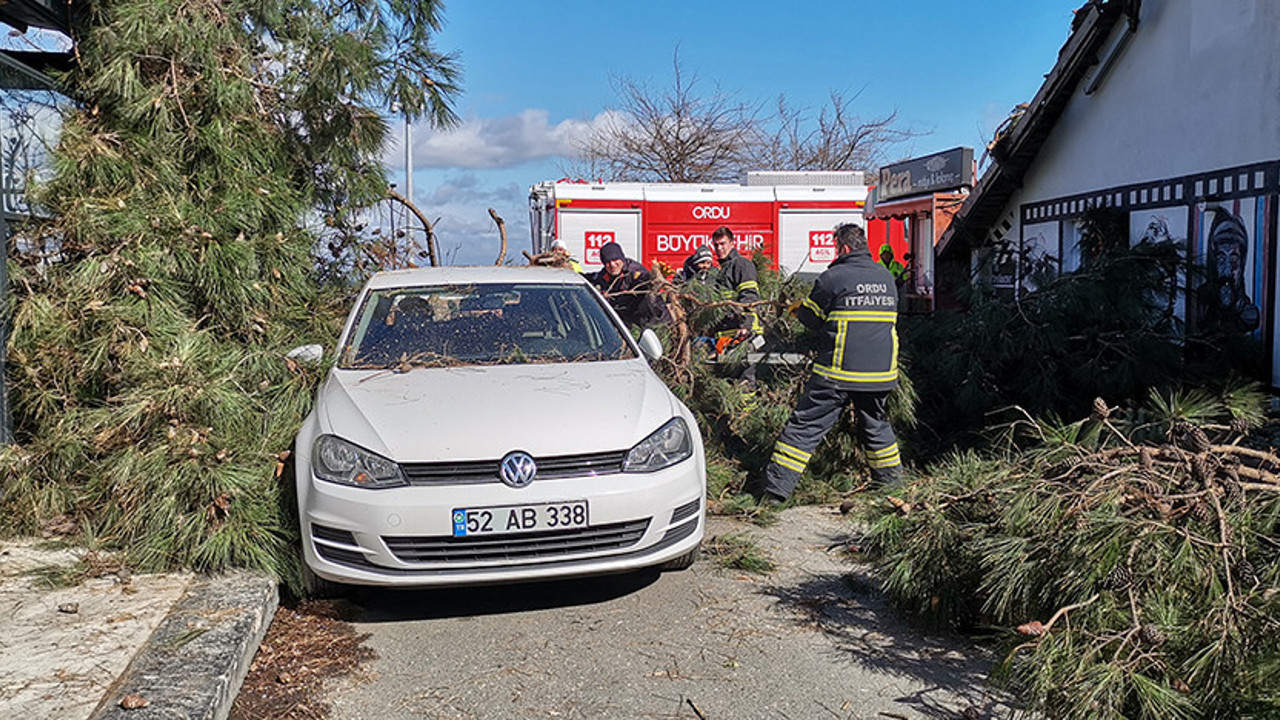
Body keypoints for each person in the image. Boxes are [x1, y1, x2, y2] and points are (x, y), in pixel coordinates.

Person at [747, 222, 901, 503]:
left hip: (838, 373)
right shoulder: (885, 276)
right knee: (876, 427)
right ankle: (892, 488)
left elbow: (812, 319)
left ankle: (774, 493)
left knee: (805, 427)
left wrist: (797, 310)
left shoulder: (834, 276)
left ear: (843, 248)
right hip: (881, 373)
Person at [1195, 207, 1259, 334]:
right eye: (1221, 259)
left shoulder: (1248, 312)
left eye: (1234, 260)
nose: (1227, 269)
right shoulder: (1203, 296)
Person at [589, 241, 668, 327]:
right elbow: (591, 278)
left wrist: (655, 277)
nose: (612, 265)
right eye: (607, 262)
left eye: (615, 260)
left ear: (622, 259)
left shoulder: (634, 272)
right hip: (626, 322)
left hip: (653, 320)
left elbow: (646, 278)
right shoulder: (604, 275)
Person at [709, 226, 762, 342]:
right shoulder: (723, 270)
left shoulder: (741, 265)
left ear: (732, 243)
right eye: (716, 245)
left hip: (743, 335)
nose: (719, 248)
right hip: (727, 335)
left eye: (723, 244)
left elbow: (750, 297)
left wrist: (746, 326)